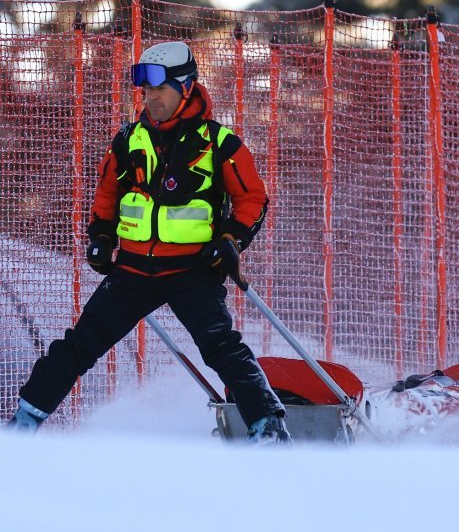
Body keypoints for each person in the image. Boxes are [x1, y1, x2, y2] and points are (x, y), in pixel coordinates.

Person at [7, 41, 290, 444]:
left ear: (186, 87)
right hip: (133, 270)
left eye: (160, 87)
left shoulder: (219, 142)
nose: (150, 96)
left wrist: (232, 239)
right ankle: (22, 425)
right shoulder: (128, 139)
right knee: (79, 345)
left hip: (193, 270)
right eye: (145, 89)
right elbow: (106, 195)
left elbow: (252, 198)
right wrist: (101, 236)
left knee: (221, 347)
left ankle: (269, 428)